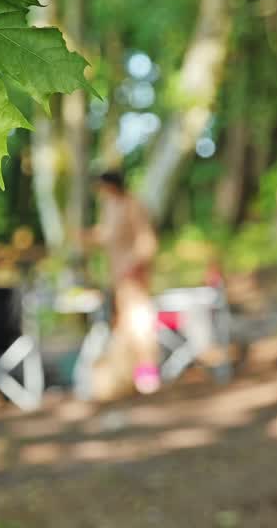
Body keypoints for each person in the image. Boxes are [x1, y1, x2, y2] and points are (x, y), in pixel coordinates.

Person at [79, 169, 161, 397]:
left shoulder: (133, 205)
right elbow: (107, 235)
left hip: (133, 277)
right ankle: (130, 375)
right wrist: (84, 236)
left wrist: (136, 265)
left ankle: (148, 372)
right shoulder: (110, 207)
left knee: (140, 324)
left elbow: (147, 242)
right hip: (118, 276)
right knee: (124, 326)